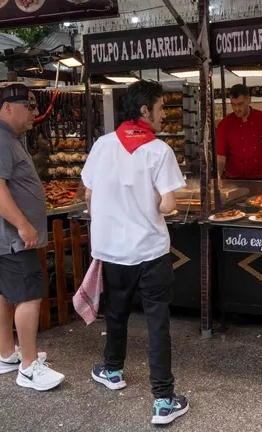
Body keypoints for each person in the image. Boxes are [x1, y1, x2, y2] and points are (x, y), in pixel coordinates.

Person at [80, 80, 189, 425]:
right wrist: (149, 203)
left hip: (112, 250)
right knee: (157, 322)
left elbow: (88, 195)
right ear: (144, 111)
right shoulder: (159, 150)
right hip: (150, 250)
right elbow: (170, 204)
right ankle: (163, 399)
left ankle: (113, 370)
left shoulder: (102, 145)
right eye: (160, 109)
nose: (163, 116)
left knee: (116, 313)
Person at [0, 84, 64, 391]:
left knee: (4, 292)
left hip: (4, 237)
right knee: (29, 295)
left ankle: (7, 353)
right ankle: (29, 366)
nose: (35, 114)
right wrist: (23, 226)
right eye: (31, 106)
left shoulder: (6, 137)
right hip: (10, 236)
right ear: (8, 107)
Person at [216, 84, 262, 181]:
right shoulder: (224, 124)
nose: (236, 109)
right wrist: (218, 176)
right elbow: (221, 157)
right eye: (233, 104)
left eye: (240, 104)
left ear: (249, 100)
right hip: (236, 180)